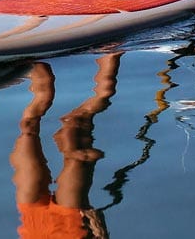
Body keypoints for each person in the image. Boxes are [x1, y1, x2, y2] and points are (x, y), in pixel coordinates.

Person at [11, 53, 119, 239]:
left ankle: (29, 59)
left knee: (28, 126)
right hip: (72, 227)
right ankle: (112, 48)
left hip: (34, 226)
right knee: (79, 147)